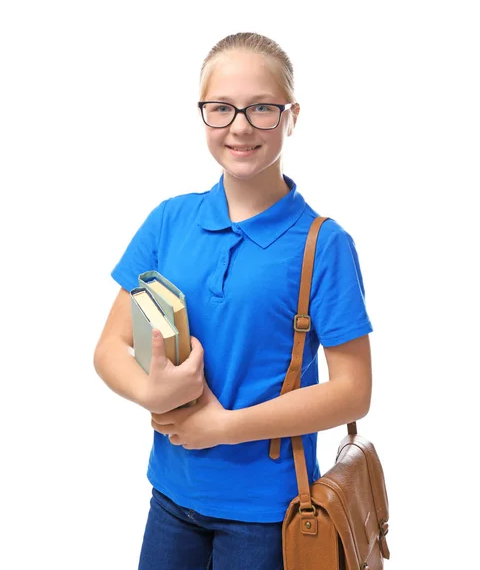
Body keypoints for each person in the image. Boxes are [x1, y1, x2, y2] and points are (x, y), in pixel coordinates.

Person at [94, 31, 373, 570]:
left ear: (291, 116)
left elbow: (353, 392)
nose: (240, 126)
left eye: (261, 108)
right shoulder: (169, 221)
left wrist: (220, 427)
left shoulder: (323, 244)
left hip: (266, 515)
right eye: (221, 108)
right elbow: (110, 345)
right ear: (204, 116)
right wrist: (150, 392)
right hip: (170, 499)